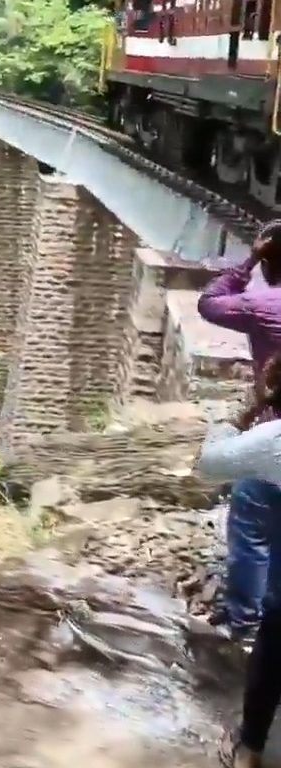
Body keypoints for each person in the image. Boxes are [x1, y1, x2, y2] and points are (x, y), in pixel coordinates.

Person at [198, 220, 281, 639]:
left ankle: (246, 622)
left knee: (251, 522)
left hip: (273, 437)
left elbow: (210, 304)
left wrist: (248, 259)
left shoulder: (260, 306)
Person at [197, 354, 281, 768]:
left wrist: (237, 416)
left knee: (277, 631)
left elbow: (209, 466)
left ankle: (250, 749)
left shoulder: (274, 441)